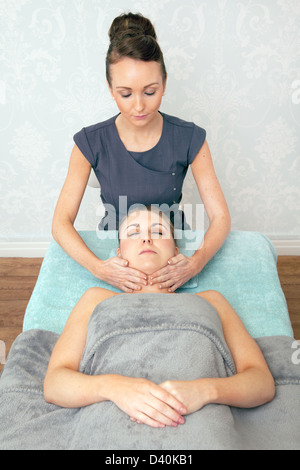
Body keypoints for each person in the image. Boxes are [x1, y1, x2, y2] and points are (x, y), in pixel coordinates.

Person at [44, 207, 275, 429]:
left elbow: (261, 383)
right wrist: (114, 387)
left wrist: (204, 391)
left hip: (201, 424)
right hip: (108, 422)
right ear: (119, 253)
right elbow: (55, 384)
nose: (146, 239)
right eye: (133, 233)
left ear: (176, 251)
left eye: (158, 232)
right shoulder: (95, 299)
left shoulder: (212, 301)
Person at [52, 12, 231, 294]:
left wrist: (194, 264)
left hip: (171, 251)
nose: (139, 106)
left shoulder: (188, 137)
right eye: (126, 93)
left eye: (150, 91)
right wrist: (101, 269)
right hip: (120, 253)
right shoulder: (90, 142)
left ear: (165, 83)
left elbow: (221, 217)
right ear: (110, 89)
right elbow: (60, 223)